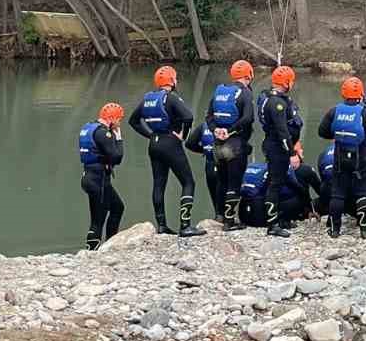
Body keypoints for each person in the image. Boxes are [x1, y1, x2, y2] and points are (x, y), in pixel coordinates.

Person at [129, 65, 205, 237]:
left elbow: (133, 121)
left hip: (154, 144)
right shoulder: (170, 98)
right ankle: (185, 226)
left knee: (158, 184)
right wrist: (183, 136)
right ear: (171, 81)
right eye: (175, 78)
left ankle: (162, 226)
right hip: (171, 143)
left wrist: (149, 135)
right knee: (188, 182)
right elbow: (189, 117)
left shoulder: (148, 99)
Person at [316, 76, 366, 239]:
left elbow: (322, 132)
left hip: (340, 158)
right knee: (363, 192)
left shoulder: (334, 111)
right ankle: (365, 229)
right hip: (362, 159)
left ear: (343, 93)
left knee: (338, 194)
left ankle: (335, 230)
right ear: (361, 93)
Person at [205, 59, 256, 230]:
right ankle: (229, 221)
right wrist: (231, 130)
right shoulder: (245, 93)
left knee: (222, 180)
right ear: (249, 75)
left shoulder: (219, 91)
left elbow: (209, 116)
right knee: (234, 182)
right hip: (235, 144)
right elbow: (248, 118)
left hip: (218, 144)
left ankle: (220, 215)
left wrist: (216, 130)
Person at [256, 65, 302, 238]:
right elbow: (282, 131)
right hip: (277, 147)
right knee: (275, 184)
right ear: (287, 82)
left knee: (278, 182)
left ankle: (278, 218)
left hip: (273, 144)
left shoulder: (268, 96)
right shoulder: (277, 104)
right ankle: (272, 224)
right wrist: (291, 153)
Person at [78, 103, 126, 250]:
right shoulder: (104, 133)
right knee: (98, 219)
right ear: (112, 119)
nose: (120, 123)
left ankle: (109, 244)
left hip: (91, 177)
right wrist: (118, 137)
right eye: (119, 119)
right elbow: (117, 157)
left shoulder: (88, 127)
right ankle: (92, 252)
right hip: (98, 179)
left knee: (117, 207)